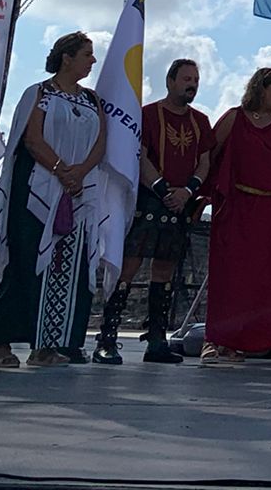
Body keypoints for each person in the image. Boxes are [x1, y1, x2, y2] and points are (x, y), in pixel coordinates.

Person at [0, 32, 108, 368]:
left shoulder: (92, 100)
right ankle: (2, 345)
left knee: (68, 268)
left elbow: (100, 142)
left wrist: (79, 173)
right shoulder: (39, 94)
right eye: (87, 54)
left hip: (77, 192)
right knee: (25, 261)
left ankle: (49, 345)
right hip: (38, 190)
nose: (92, 60)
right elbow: (31, 138)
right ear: (66, 57)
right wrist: (59, 169)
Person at [95, 57, 212, 365]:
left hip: (181, 202)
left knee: (166, 270)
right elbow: (139, 155)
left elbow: (205, 160)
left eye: (196, 80)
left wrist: (187, 191)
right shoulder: (148, 115)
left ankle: (157, 340)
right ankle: (107, 338)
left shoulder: (200, 121)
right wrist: (161, 189)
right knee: (129, 267)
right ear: (171, 81)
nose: (192, 85)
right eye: (186, 79)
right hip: (148, 200)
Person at [203, 67, 271, 364]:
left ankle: (240, 342)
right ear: (261, 88)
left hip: (269, 214)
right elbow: (209, 151)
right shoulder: (235, 118)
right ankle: (214, 339)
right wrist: (199, 191)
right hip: (235, 209)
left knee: (258, 280)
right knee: (228, 277)